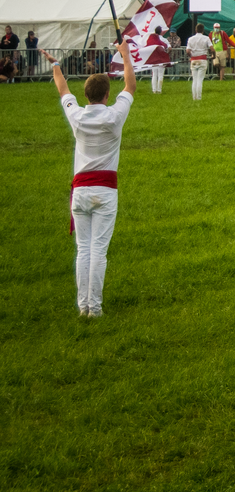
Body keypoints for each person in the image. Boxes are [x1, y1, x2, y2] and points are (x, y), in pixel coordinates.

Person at [42, 43, 135, 317]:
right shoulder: (115, 115)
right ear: (107, 95)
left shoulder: (77, 115)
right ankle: (94, 308)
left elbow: (63, 89)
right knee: (98, 251)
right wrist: (126, 55)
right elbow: (130, 86)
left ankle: (84, 306)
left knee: (84, 250)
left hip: (81, 192)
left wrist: (55, 64)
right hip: (105, 192)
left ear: (87, 94)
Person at [186, 24, 212, 100]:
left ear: (196, 30)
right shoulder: (206, 38)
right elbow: (212, 49)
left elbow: (187, 51)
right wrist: (212, 55)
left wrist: (190, 56)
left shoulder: (190, 39)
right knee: (200, 80)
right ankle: (199, 98)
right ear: (203, 30)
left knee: (195, 80)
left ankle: (194, 97)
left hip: (193, 59)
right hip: (202, 59)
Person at [148, 26, 170, 94]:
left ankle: (154, 90)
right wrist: (166, 53)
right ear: (161, 32)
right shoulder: (164, 40)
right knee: (160, 75)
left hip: (154, 59)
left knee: (154, 75)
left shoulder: (151, 39)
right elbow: (169, 48)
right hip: (162, 59)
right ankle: (159, 90)